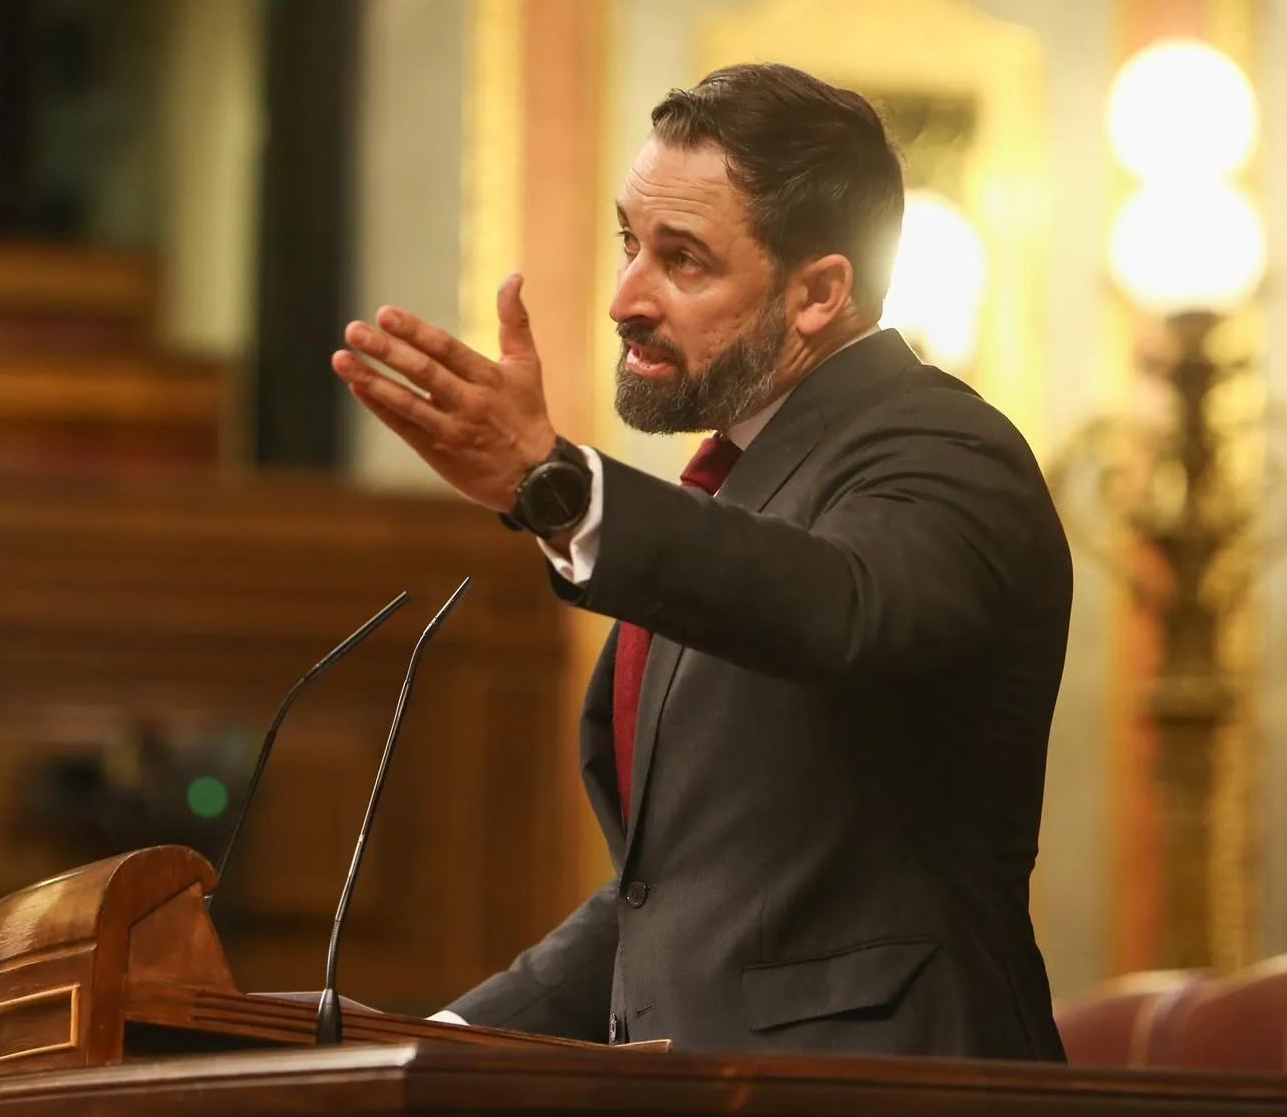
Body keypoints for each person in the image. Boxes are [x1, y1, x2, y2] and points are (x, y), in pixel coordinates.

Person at [331, 63, 1070, 1060]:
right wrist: (433, 1042)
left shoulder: (943, 447)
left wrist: (557, 485)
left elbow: (840, 604)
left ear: (819, 293)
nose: (624, 297)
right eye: (628, 243)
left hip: (895, 1110)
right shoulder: (732, 490)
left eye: (682, 259)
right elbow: (675, 897)